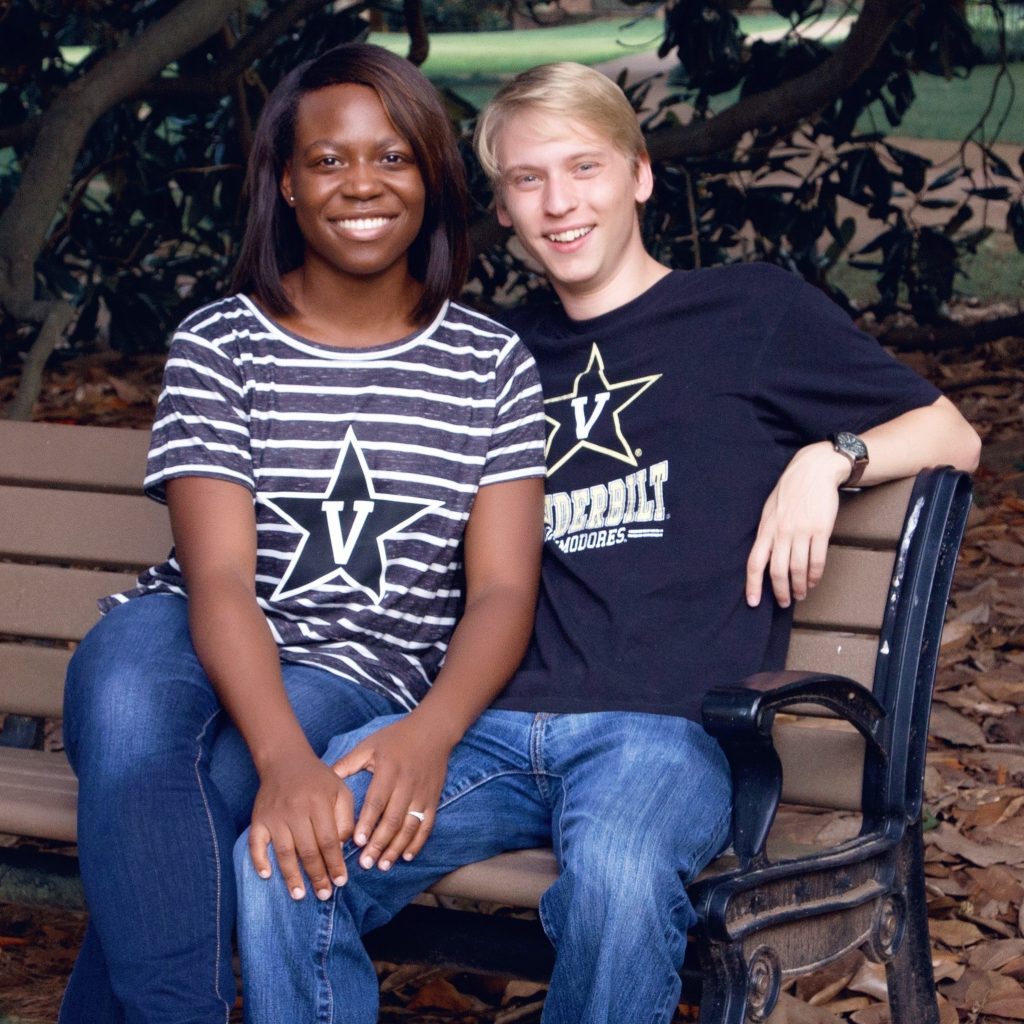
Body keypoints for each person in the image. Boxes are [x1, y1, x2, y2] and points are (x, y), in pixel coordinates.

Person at [234, 62, 981, 1024]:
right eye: (527, 180)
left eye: (583, 168)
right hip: (489, 732)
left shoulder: (749, 313)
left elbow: (952, 435)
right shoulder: (492, 353)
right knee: (291, 851)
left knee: (620, 873)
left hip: (662, 736)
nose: (559, 203)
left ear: (638, 175)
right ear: (501, 208)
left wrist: (827, 460)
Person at [58, 43, 546, 1023]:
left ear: (432, 176)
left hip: (360, 664)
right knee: (125, 697)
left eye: (393, 156)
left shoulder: (490, 363)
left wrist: (430, 734)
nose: (361, 183)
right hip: (197, 625)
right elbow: (222, 579)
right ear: (283, 182)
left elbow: (500, 592)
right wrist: (289, 764)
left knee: (205, 786)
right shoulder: (221, 342)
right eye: (327, 160)